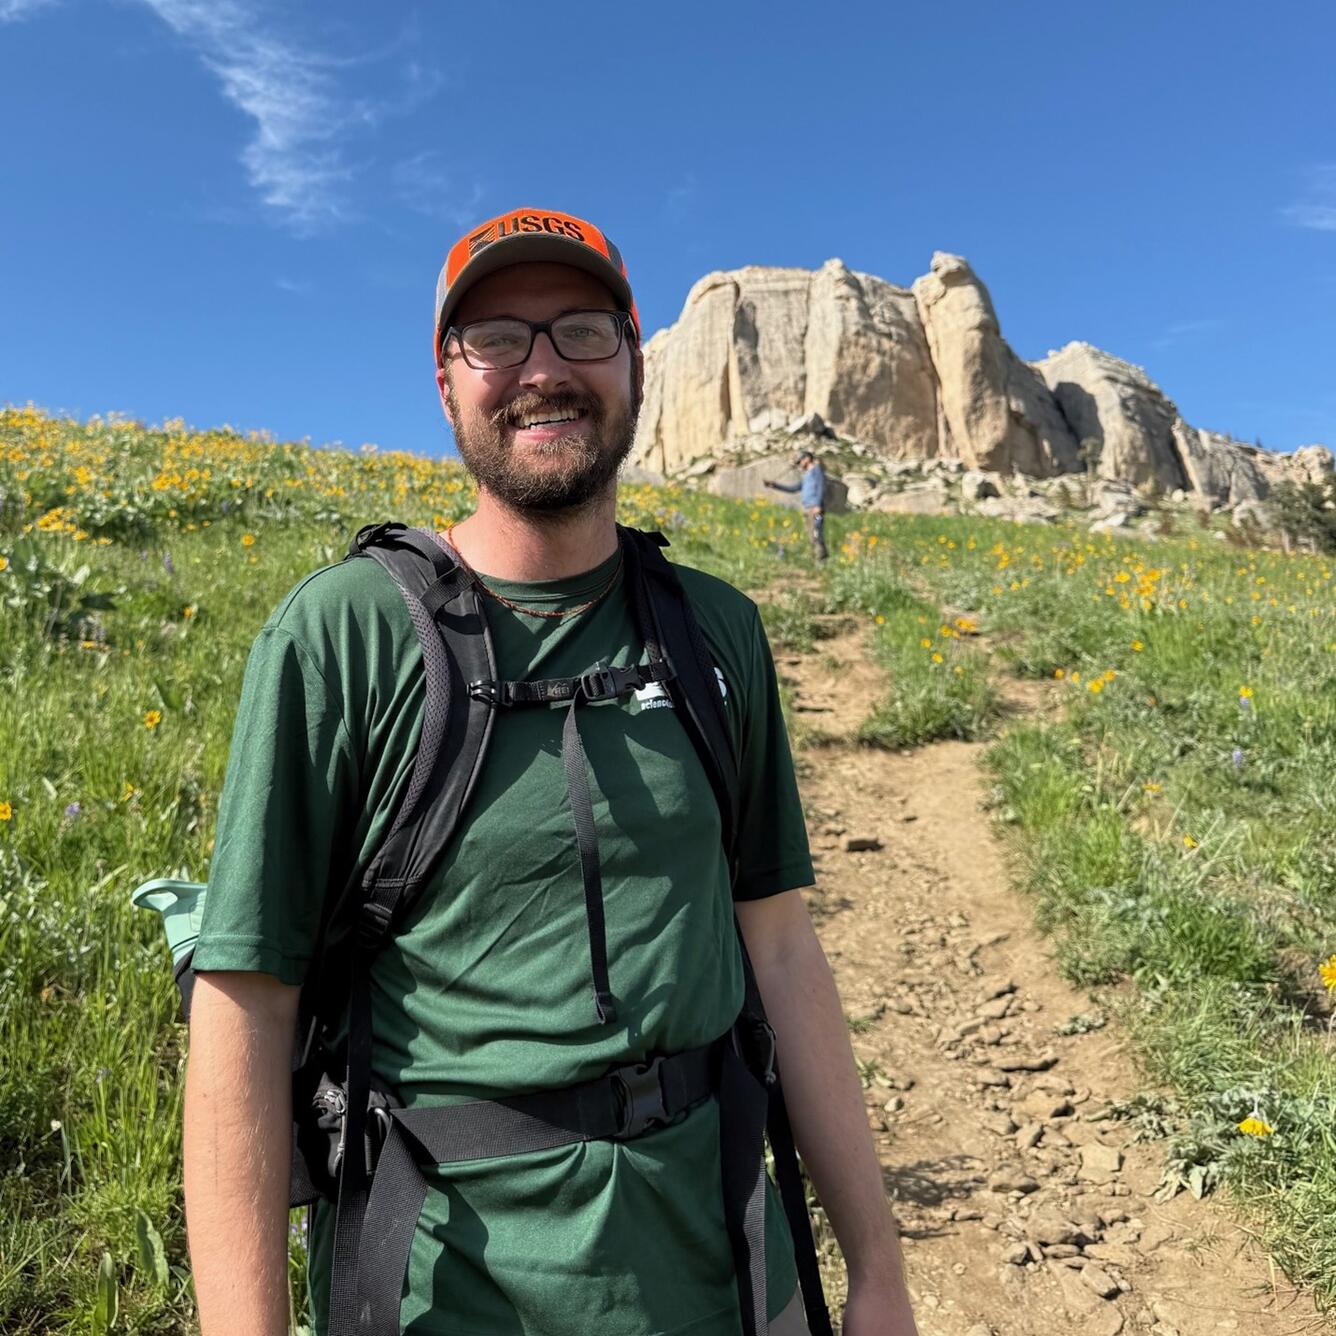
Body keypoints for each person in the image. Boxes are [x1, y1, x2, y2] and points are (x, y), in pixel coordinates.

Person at [183, 207, 918, 1336]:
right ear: (446, 382)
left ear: (635, 362)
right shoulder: (341, 635)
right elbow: (246, 1000)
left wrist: (877, 1268)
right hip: (441, 1292)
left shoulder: (717, 631)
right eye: (495, 340)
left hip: (725, 1267)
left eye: (581, 331)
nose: (541, 371)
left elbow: (780, 948)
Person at [765, 452, 828, 561]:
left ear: (807, 459)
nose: (799, 463)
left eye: (800, 460)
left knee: (817, 533)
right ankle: (816, 558)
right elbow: (794, 489)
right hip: (807, 508)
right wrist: (775, 486)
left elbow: (821, 487)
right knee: (810, 533)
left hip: (816, 509)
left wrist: (818, 505)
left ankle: (821, 560)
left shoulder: (817, 471)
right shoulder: (806, 475)